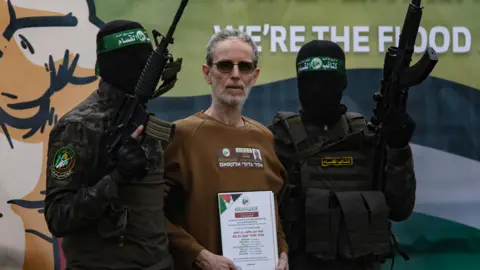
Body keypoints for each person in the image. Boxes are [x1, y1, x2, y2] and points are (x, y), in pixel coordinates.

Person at [268, 40, 417, 270]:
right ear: (299, 84)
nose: (318, 89)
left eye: (327, 81)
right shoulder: (279, 138)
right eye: (311, 82)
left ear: (343, 83)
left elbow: (400, 208)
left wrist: (398, 148)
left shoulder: (365, 135)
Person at [44, 20, 178, 270]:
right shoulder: (77, 127)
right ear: (115, 65)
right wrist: (116, 178)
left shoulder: (141, 117)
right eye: (136, 60)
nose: (144, 67)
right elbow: (58, 217)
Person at [163, 29, 289, 270]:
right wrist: (197, 254)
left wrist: (282, 251)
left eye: (244, 66)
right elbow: (150, 214)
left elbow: (274, 212)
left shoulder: (264, 138)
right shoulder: (180, 134)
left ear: (255, 75)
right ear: (206, 73)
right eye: (224, 66)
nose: (235, 75)